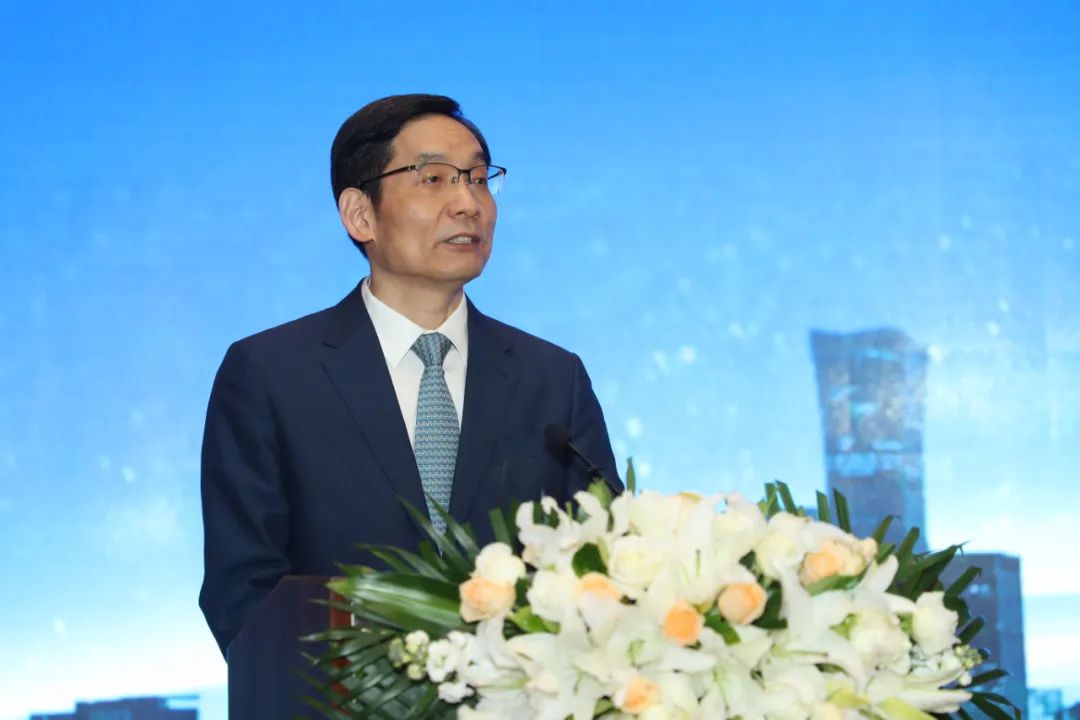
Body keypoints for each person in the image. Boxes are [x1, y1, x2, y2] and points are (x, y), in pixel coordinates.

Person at [198, 94, 621, 656]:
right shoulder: (271, 375)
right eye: (434, 179)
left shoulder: (552, 379)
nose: (468, 203)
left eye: (478, 179)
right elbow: (243, 590)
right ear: (360, 214)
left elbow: (602, 562)